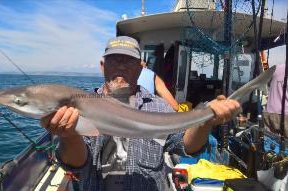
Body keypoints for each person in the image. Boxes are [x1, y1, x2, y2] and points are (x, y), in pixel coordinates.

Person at [40, 36, 240, 191]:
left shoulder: (159, 108)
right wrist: (69, 136)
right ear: (103, 65)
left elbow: (186, 146)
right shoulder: (80, 106)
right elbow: (76, 164)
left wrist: (205, 121)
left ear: (141, 66)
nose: (120, 66)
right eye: (114, 60)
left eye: (128, 61)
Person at [263, 64, 288, 138]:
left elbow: (267, 83)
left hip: (269, 113)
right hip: (285, 116)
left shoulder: (276, 68)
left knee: (270, 142)